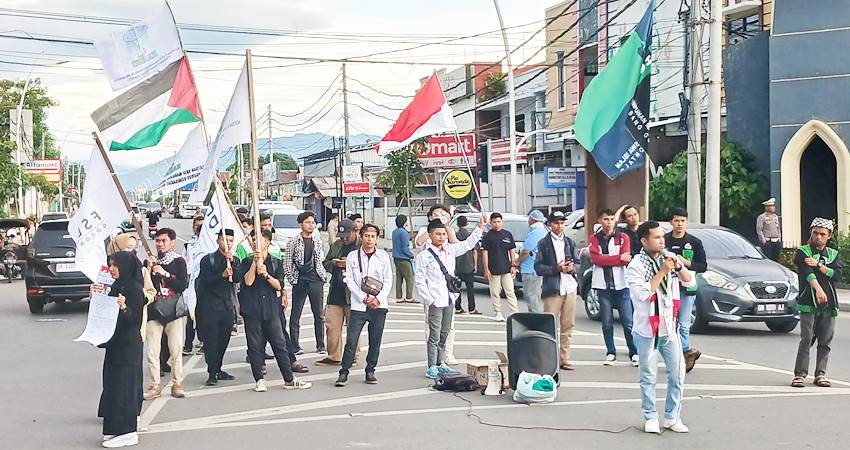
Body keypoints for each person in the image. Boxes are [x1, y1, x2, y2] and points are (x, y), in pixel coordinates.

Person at [626, 220, 693, 434]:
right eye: (656, 237)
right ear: (644, 241)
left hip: (669, 327)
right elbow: (642, 294)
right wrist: (663, 271)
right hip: (647, 329)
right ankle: (650, 415)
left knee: (678, 373)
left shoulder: (670, 259)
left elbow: (690, 283)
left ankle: (672, 416)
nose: (662, 240)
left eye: (662, 236)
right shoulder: (637, 265)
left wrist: (678, 266)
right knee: (649, 375)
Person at [240, 229, 312, 392]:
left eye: (258, 239)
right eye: (253, 240)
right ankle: (259, 379)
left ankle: (289, 378)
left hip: (272, 310)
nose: (255, 242)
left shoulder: (274, 262)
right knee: (255, 346)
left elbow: (279, 285)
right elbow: (248, 282)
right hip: (252, 310)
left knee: (280, 344)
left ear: (267, 242)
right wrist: (254, 263)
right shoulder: (245, 261)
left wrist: (265, 274)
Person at [415, 214, 485, 379]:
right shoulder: (424, 256)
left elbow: (468, 244)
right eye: (438, 234)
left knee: (445, 332)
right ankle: (432, 365)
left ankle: (441, 362)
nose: (441, 237)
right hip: (435, 300)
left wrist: (480, 228)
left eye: (443, 234)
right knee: (434, 333)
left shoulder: (450, 250)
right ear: (430, 235)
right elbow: (419, 281)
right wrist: (429, 299)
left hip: (449, 298)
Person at [335, 224, 394, 386]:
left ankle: (370, 370)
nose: (369, 239)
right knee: (351, 340)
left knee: (375, 340)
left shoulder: (383, 257)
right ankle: (344, 371)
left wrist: (378, 298)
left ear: (377, 238)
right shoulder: (353, 256)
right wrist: (363, 297)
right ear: (361, 236)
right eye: (366, 236)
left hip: (378, 306)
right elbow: (350, 280)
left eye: (373, 236)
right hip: (359, 306)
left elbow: (388, 280)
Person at [98, 251, 145, 448]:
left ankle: (128, 431)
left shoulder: (134, 289)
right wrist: (96, 295)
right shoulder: (118, 285)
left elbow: (136, 320)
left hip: (128, 347)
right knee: (113, 387)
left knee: (125, 389)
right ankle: (113, 429)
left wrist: (124, 307)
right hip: (115, 345)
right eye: (110, 264)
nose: (112, 269)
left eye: (115, 265)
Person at [791, 218, 843, 388]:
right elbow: (807, 272)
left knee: (825, 341)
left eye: (823, 234)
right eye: (816, 233)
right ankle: (800, 374)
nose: (819, 237)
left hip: (829, 303)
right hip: (808, 300)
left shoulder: (833, 254)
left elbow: (837, 275)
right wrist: (818, 288)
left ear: (829, 236)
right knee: (806, 339)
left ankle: (820, 374)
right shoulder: (803, 251)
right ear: (811, 233)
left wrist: (819, 265)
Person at [143, 228, 189, 400]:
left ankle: (177, 384)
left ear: (172, 242)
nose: (160, 244)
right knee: (152, 352)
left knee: (176, 350)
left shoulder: (179, 262)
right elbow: (144, 284)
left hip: (173, 311)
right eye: (157, 241)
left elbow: (182, 285)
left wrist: (165, 274)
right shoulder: (150, 261)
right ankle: (154, 385)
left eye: (164, 241)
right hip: (154, 312)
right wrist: (148, 267)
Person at [588, 208, 638, 366]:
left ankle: (634, 352)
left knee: (628, 321)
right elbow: (596, 259)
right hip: (603, 286)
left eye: (611, 219)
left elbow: (626, 258)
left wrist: (609, 259)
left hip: (622, 284)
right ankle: (610, 352)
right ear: (599, 221)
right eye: (605, 219)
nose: (609, 222)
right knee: (607, 321)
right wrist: (617, 258)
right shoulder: (594, 238)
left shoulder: (623, 237)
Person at [413, 204, 460, 364]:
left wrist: (446, 227)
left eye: (442, 213)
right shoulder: (425, 231)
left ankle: (447, 354)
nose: (439, 215)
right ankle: (433, 360)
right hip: (431, 285)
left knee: (448, 326)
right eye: (435, 213)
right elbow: (419, 243)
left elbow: (456, 245)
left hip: (447, 290)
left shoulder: (447, 231)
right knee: (433, 325)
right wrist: (432, 228)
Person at [534, 211, 579, 371]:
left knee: (568, 325)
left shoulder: (570, 242)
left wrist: (572, 268)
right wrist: (556, 268)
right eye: (556, 223)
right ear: (549, 224)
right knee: (549, 324)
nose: (559, 226)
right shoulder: (543, 243)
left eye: (562, 223)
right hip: (552, 288)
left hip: (569, 287)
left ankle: (564, 358)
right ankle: (547, 358)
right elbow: (538, 267)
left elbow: (578, 263)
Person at [664, 208, 707, 372]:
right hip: (667, 286)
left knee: (683, 323)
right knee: (669, 323)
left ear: (686, 222)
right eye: (676, 221)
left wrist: (686, 263)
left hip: (687, 288)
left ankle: (685, 353)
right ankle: (686, 351)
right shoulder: (665, 240)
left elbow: (703, 266)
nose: (679, 224)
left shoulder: (694, 242)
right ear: (671, 222)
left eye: (682, 221)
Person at [196, 230, 240, 386]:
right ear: (217, 241)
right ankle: (211, 371)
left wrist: (232, 264)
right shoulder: (208, 260)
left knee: (224, 339)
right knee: (211, 340)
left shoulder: (234, 260)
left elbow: (237, 278)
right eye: (224, 240)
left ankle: (218, 368)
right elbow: (206, 281)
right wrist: (221, 275)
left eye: (230, 240)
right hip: (210, 306)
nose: (227, 243)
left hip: (227, 306)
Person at [283, 211, 330, 355]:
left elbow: (320, 260)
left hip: (316, 279)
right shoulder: (293, 241)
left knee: (319, 314)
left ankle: (321, 345)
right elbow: (287, 262)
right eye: (308, 222)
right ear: (301, 224)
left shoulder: (317, 240)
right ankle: (295, 345)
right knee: (296, 314)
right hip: (300, 279)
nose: (311, 225)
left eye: (313, 222)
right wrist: (293, 279)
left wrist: (321, 277)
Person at [317, 219, 360, 366]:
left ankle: (352, 354)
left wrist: (349, 264)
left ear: (355, 232)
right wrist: (336, 264)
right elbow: (326, 263)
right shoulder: (337, 245)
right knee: (332, 326)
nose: (345, 239)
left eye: (348, 235)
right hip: (336, 291)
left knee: (354, 326)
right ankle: (333, 355)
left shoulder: (361, 246)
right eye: (342, 236)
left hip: (353, 294)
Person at [482, 212, 519, 321]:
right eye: (494, 222)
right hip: (493, 269)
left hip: (506, 268)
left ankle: (514, 312)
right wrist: (486, 269)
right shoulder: (487, 236)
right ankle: (498, 312)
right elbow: (485, 253)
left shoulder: (507, 234)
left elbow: (512, 250)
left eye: (499, 221)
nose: (497, 224)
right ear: (491, 223)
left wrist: (514, 265)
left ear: (502, 222)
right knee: (495, 291)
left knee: (510, 290)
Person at [516, 210, 547, 313]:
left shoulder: (535, 233)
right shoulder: (544, 231)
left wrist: (517, 262)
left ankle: (536, 320)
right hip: (537, 269)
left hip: (530, 270)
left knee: (531, 297)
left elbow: (525, 252)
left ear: (532, 220)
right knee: (535, 297)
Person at [183, 215, 205, 356]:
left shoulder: (210, 245)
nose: (199, 228)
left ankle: (204, 341)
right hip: (191, 283)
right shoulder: (189, 245)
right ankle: (188, 344)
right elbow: (185, 262)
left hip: (205, 283)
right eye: (197, 226)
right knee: (190, 314)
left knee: (203, 314)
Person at [454, 215, 480, 314]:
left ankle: (458, 307)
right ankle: (472, 308)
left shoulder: (454, 236)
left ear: (457, 224)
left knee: (456, 287)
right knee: (470, 288)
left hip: (457, 265)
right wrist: (475, 265)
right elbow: (475, 252)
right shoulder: (470, 236)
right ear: (467, 223)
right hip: (469, 265)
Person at [391, 215, 416, 304]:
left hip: (396, 257)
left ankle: (399, 297)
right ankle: (409, 297)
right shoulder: (404, 233)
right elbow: (405, 248)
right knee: (409, 278)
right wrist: (411, 255)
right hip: (404, 258)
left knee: (399, 278)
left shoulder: (394, 232)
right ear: (404, 222)